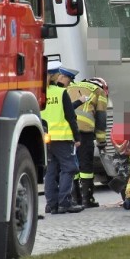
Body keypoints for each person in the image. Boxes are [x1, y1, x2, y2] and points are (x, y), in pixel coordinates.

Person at [40, 62, 83, 214]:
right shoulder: (60, 92)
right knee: (69, 168)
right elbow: (70, 116)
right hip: (62, 137)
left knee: (50, 171)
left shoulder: (38, 92)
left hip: (44, 138)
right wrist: (77, 137)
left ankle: (51, 205)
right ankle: (64, 202)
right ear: (54, 76)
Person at [66, 76, 108, 208]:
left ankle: (75, 198)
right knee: (86, 166)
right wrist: (101, 141)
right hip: (84, 132)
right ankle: (87, 199)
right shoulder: (99, 92)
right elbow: (101, 119)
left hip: (66, 131)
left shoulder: (70, 87)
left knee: (72, 165)